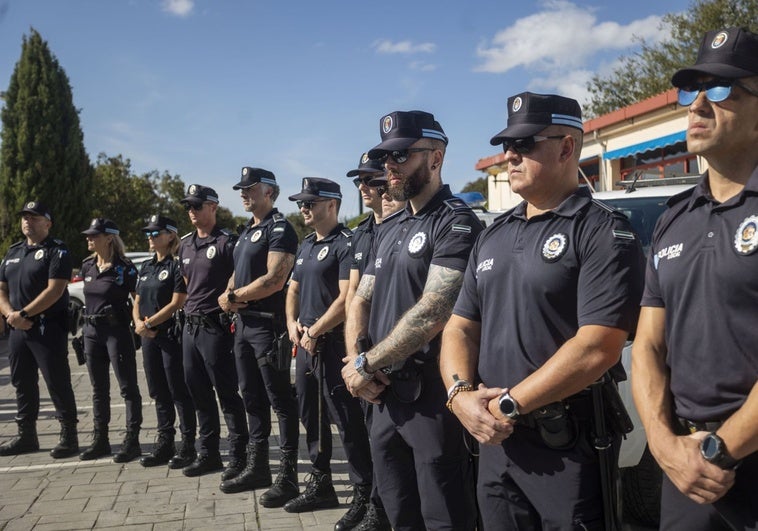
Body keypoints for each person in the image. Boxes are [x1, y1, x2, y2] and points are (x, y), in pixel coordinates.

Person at [439, 93, 645, 530]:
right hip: (496, 443)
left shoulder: (602, 230)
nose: (509, 155)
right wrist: (460, 397)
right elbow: (460, 328)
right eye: (507, 145)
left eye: (526, 144)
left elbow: (597, 347)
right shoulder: (493, 235)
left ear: (567, 147)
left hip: (567, 449)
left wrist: (510, 405)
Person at [632, 27, 758, 530]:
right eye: (693, 89)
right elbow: (646, 347)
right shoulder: (674, 218)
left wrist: (719, 450)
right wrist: (664, 447)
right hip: (687, 469)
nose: (698, 104)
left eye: (722, 89)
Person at [342, 110, 483, 531]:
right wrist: (356, 363)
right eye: (386, 155)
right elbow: (359, 300)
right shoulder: (390, 227)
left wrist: (368, 364)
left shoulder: (456, 221)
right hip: (383, 396)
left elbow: (433, 312)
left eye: (401, 154)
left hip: (431, 398)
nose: (389, 165)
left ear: (435, 158)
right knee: (398, 512)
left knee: (444, 516)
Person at [284, 177, 374, 520]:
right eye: (301, 204)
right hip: (306, 345)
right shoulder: (306, 245)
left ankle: (364, 492)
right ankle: (321, 484)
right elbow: (292, 290)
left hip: (332, 344)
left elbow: (345, 299)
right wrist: (292, 324)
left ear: (331, 205)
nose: (304, 209)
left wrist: (318, 329)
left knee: (346, 422)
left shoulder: (344, 244)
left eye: (310, 203)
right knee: (312, 417)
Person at [216, 167, 300, 508]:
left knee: (279, 399)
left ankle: (289, 474)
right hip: (244, 326)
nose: (243, 193)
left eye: (250, 188)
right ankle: (258, 466)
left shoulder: (279, 229)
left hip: (268, 326)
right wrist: (228, 293)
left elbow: (275, 279)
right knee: (250, 396)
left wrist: (233, 298)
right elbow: (238, 272)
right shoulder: (248, 231)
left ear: (270, 191)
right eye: (241, 188)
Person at [342, 153, 403, 531]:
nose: (364, 187)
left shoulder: (410, 225)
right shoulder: (364, 232)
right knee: (371, 440)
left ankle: (381, 508)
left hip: (401, 360)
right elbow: (355, 297)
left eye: (370, 179)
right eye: (359, 182)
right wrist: (355, 359)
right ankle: (372, 503)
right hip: (365, 357)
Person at [178, 184, 248, 478]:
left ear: (213, 207)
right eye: (188, 207)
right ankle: (208, 454)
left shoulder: (227, 242)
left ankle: (238, 456)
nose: (192, 211)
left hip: (215, 328)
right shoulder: (184, 244)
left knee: (228, 395)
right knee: (199, 395)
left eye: (197, 205)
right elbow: (186, 282)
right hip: (190, 328)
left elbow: (240, 276)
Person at [0, 201, 79, 458]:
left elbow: (55, 289)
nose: (28, 222)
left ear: (48, 223)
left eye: (34, 218)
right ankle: (26, 436)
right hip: (18, 329)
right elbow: (1, 289)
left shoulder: (57, 251)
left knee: (57, 381)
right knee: (22, 382)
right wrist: (11, 315)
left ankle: (69, 436)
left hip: (46, 327)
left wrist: (23, 314)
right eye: (25, 217)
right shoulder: (13, 252)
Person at [132, 215, 197, 468]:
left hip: (169, 336)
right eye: (148, 234)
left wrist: (149, 324)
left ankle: (189, 444)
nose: (150, 237)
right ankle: (165, 441)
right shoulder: (147, 266)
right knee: (158, 391)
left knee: (178, 390)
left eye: (155, 233)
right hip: (148, 337)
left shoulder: (177, 266)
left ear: (171, 235)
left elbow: (176, 302)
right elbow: (137, 299)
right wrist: (139, 323)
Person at [78, 218, 144, 463]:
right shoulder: (87, 266)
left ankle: (132, 440)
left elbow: (139, 297)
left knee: (127, 388)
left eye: (94, 235)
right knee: (98, 389)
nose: (89, 238)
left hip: (116, 332)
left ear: (109, 238)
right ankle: (101, 440)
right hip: (91, 332)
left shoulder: (124, 268)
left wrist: (138, 321)